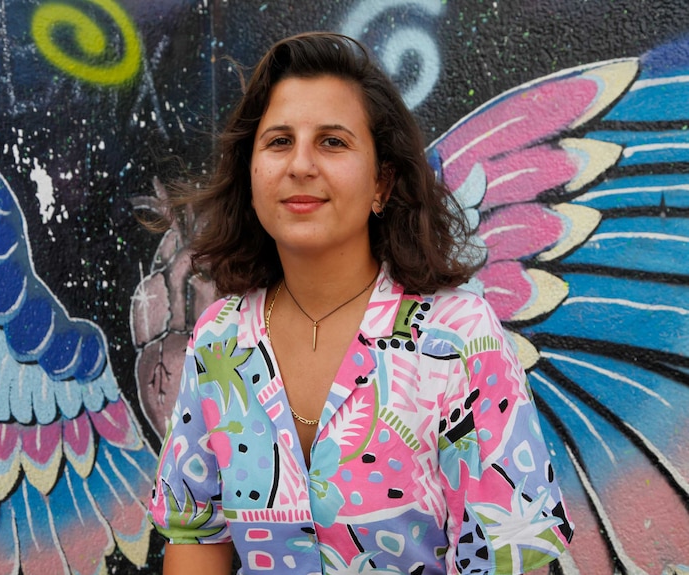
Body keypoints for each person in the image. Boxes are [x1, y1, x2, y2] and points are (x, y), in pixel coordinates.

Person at [147, 31, 573, 574]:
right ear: (250, 176)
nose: (300, 164)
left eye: (332, 142)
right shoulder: (218, 340)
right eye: (278, 141)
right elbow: (195, 533)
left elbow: (516, 553)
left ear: (382, 183)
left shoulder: (457, 339)